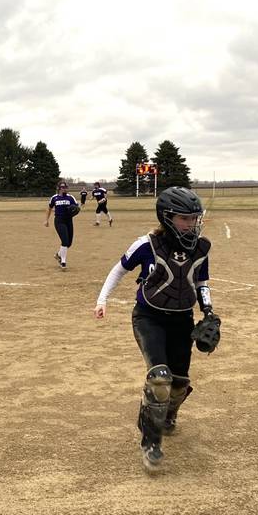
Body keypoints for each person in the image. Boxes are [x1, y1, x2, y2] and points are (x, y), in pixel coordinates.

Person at [93, 187, 219, 471]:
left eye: (194, 219)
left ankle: (169, 413)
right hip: (149, 317)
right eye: (185, 219)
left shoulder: (200, 248)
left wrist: (208, 310)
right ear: (168, 217)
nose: (192, 224)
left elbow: (201, 282)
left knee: (179, 384)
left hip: (181, 319)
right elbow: (119, 269)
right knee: (159, 378)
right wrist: (102, 301)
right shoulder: (146, 244)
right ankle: (151, 441)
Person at [44, 181, 79, 270]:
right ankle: (63, 262)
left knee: (69, 243)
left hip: (69, 221)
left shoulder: (70, 197)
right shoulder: (54, 198)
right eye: (63, 187)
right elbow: (49, 208)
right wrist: (46, 220)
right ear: (59, 188)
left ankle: (58, 255)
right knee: (65, 240)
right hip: (59, 221)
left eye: (65, 187)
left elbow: (77, 207)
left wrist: (75, 210)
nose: (64, 189)